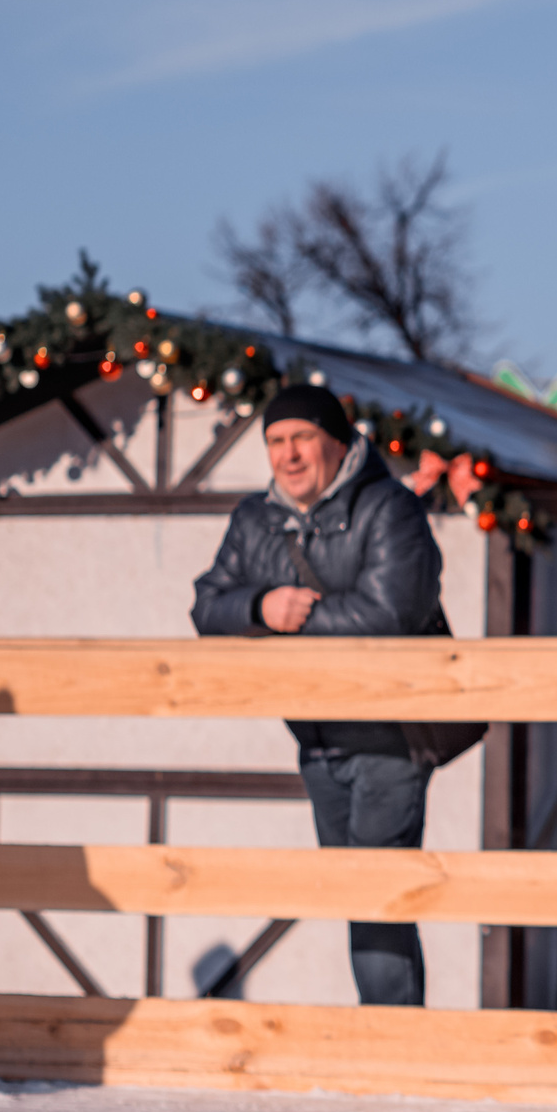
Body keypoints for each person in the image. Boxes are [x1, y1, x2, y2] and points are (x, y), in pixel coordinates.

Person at [191, 382, 444, 1006]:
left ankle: (392, 1041)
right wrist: (261, 605)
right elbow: (206, 605)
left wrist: (293, 619)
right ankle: (394, 1033)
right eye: (276, 441)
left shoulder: (388, 507)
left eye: (303, 437)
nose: (289, 454)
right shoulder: (256, 519)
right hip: (315, 737)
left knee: (373, 899)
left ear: (337, 442)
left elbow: (393, 613)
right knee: (355, 897)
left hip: (390, 735)